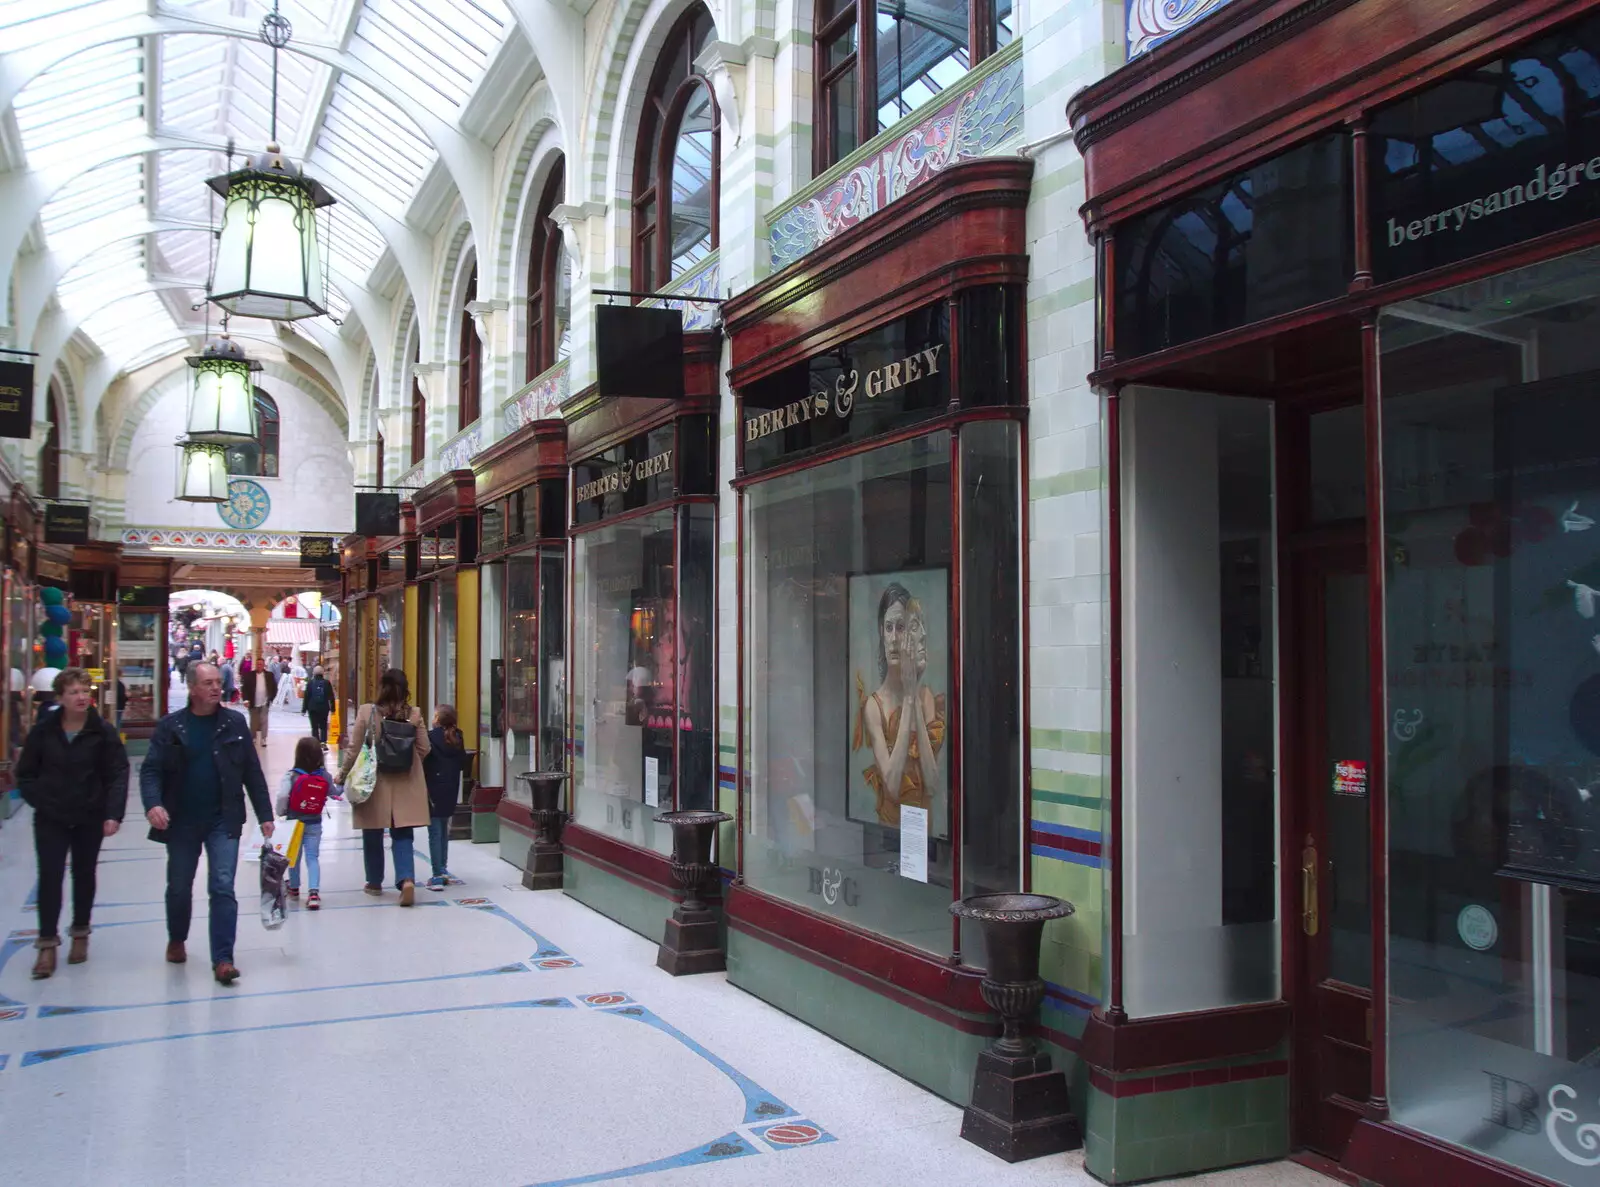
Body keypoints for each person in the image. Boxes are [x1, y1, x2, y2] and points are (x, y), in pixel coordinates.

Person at [139, 662, 274, 985]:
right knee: (180, 885)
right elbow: (151, 770)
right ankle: (177, 937)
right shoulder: (172, 727)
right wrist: (153, 804)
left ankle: (223, 959)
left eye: (218, 682)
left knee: (222, 885)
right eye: (208, 683)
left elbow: (252, 773)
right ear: (192, 688)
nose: (216, 688)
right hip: (181, 819)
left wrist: (265, 814)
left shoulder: (234, 724)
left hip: (223, 818)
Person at [17, 668, 129, 979]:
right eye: (73, 692)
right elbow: (25, 773)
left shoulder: (101, 731)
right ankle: (47, 943)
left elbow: (117, 773)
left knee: (84, 873)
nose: (81, 697)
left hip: (88, 815)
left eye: (84, 691)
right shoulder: (43, 733)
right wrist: (41, 799)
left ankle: (80, 932)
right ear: (60, 698)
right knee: (50, 876)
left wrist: (112, 813)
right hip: (51, 816)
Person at [853, 583, 946, 825]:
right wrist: (907, 696)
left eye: (902, 628)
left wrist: (912, 692)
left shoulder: (925, 697)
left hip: (923, 830)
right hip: (889, 831)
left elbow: (933, 784)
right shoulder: (874, 707)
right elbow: (892, 784)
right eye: (889, 627)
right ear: (881, 633)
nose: (894, 638)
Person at [339, 668, 429, 906]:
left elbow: (355, 747)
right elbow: (425, 747)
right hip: (405, 781)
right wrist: (408, 760)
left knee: (373, 830)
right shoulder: (414, 713)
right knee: (403, 833)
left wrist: (342, 773)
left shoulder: (367, 711)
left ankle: (374, 882)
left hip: (375, 781)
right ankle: (406, 879)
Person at [276, 736, 336, 911]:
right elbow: (334, 792)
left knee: (294, 856)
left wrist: (281, 812)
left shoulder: (291, 775)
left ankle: (294, 887)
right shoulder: (324, 775)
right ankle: (314, 893)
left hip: (294, 823)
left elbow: (282, 796)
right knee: (312, 857)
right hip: (314, 822)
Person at [422, 705, 468, 891]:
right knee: (443, 830)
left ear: (438, 719)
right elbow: (463, 762)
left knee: (434, 831)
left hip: (434, 788)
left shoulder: (431, 737)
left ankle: (437, 875)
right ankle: (443, 868)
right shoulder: (458, 737)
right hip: (451, 788)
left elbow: (424, 761)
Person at [244, 656, 277, 746]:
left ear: (264, 665)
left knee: (264, 720)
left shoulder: (269, 675)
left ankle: (263, 738)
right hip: (253, 702)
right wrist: (245, 700)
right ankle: (253, 737)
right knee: (253, 721)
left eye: (261, 664)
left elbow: (274, 687)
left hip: (265, 702)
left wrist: (271, 698)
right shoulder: (249, 675)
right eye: (258, 664)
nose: (259, 666)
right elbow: (245, 689)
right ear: (256, 665)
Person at [302, 664, 333, 745]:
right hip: (323, 708)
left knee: (314, 727)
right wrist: (333, 708)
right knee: (323, 726)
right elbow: (331, 696)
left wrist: (304, 709)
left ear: (314, 673)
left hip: (312, 708)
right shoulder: (327, 683)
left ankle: (315, 743)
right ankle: (323, 742)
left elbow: (306, 697)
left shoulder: (310, 683)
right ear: (322, 673)